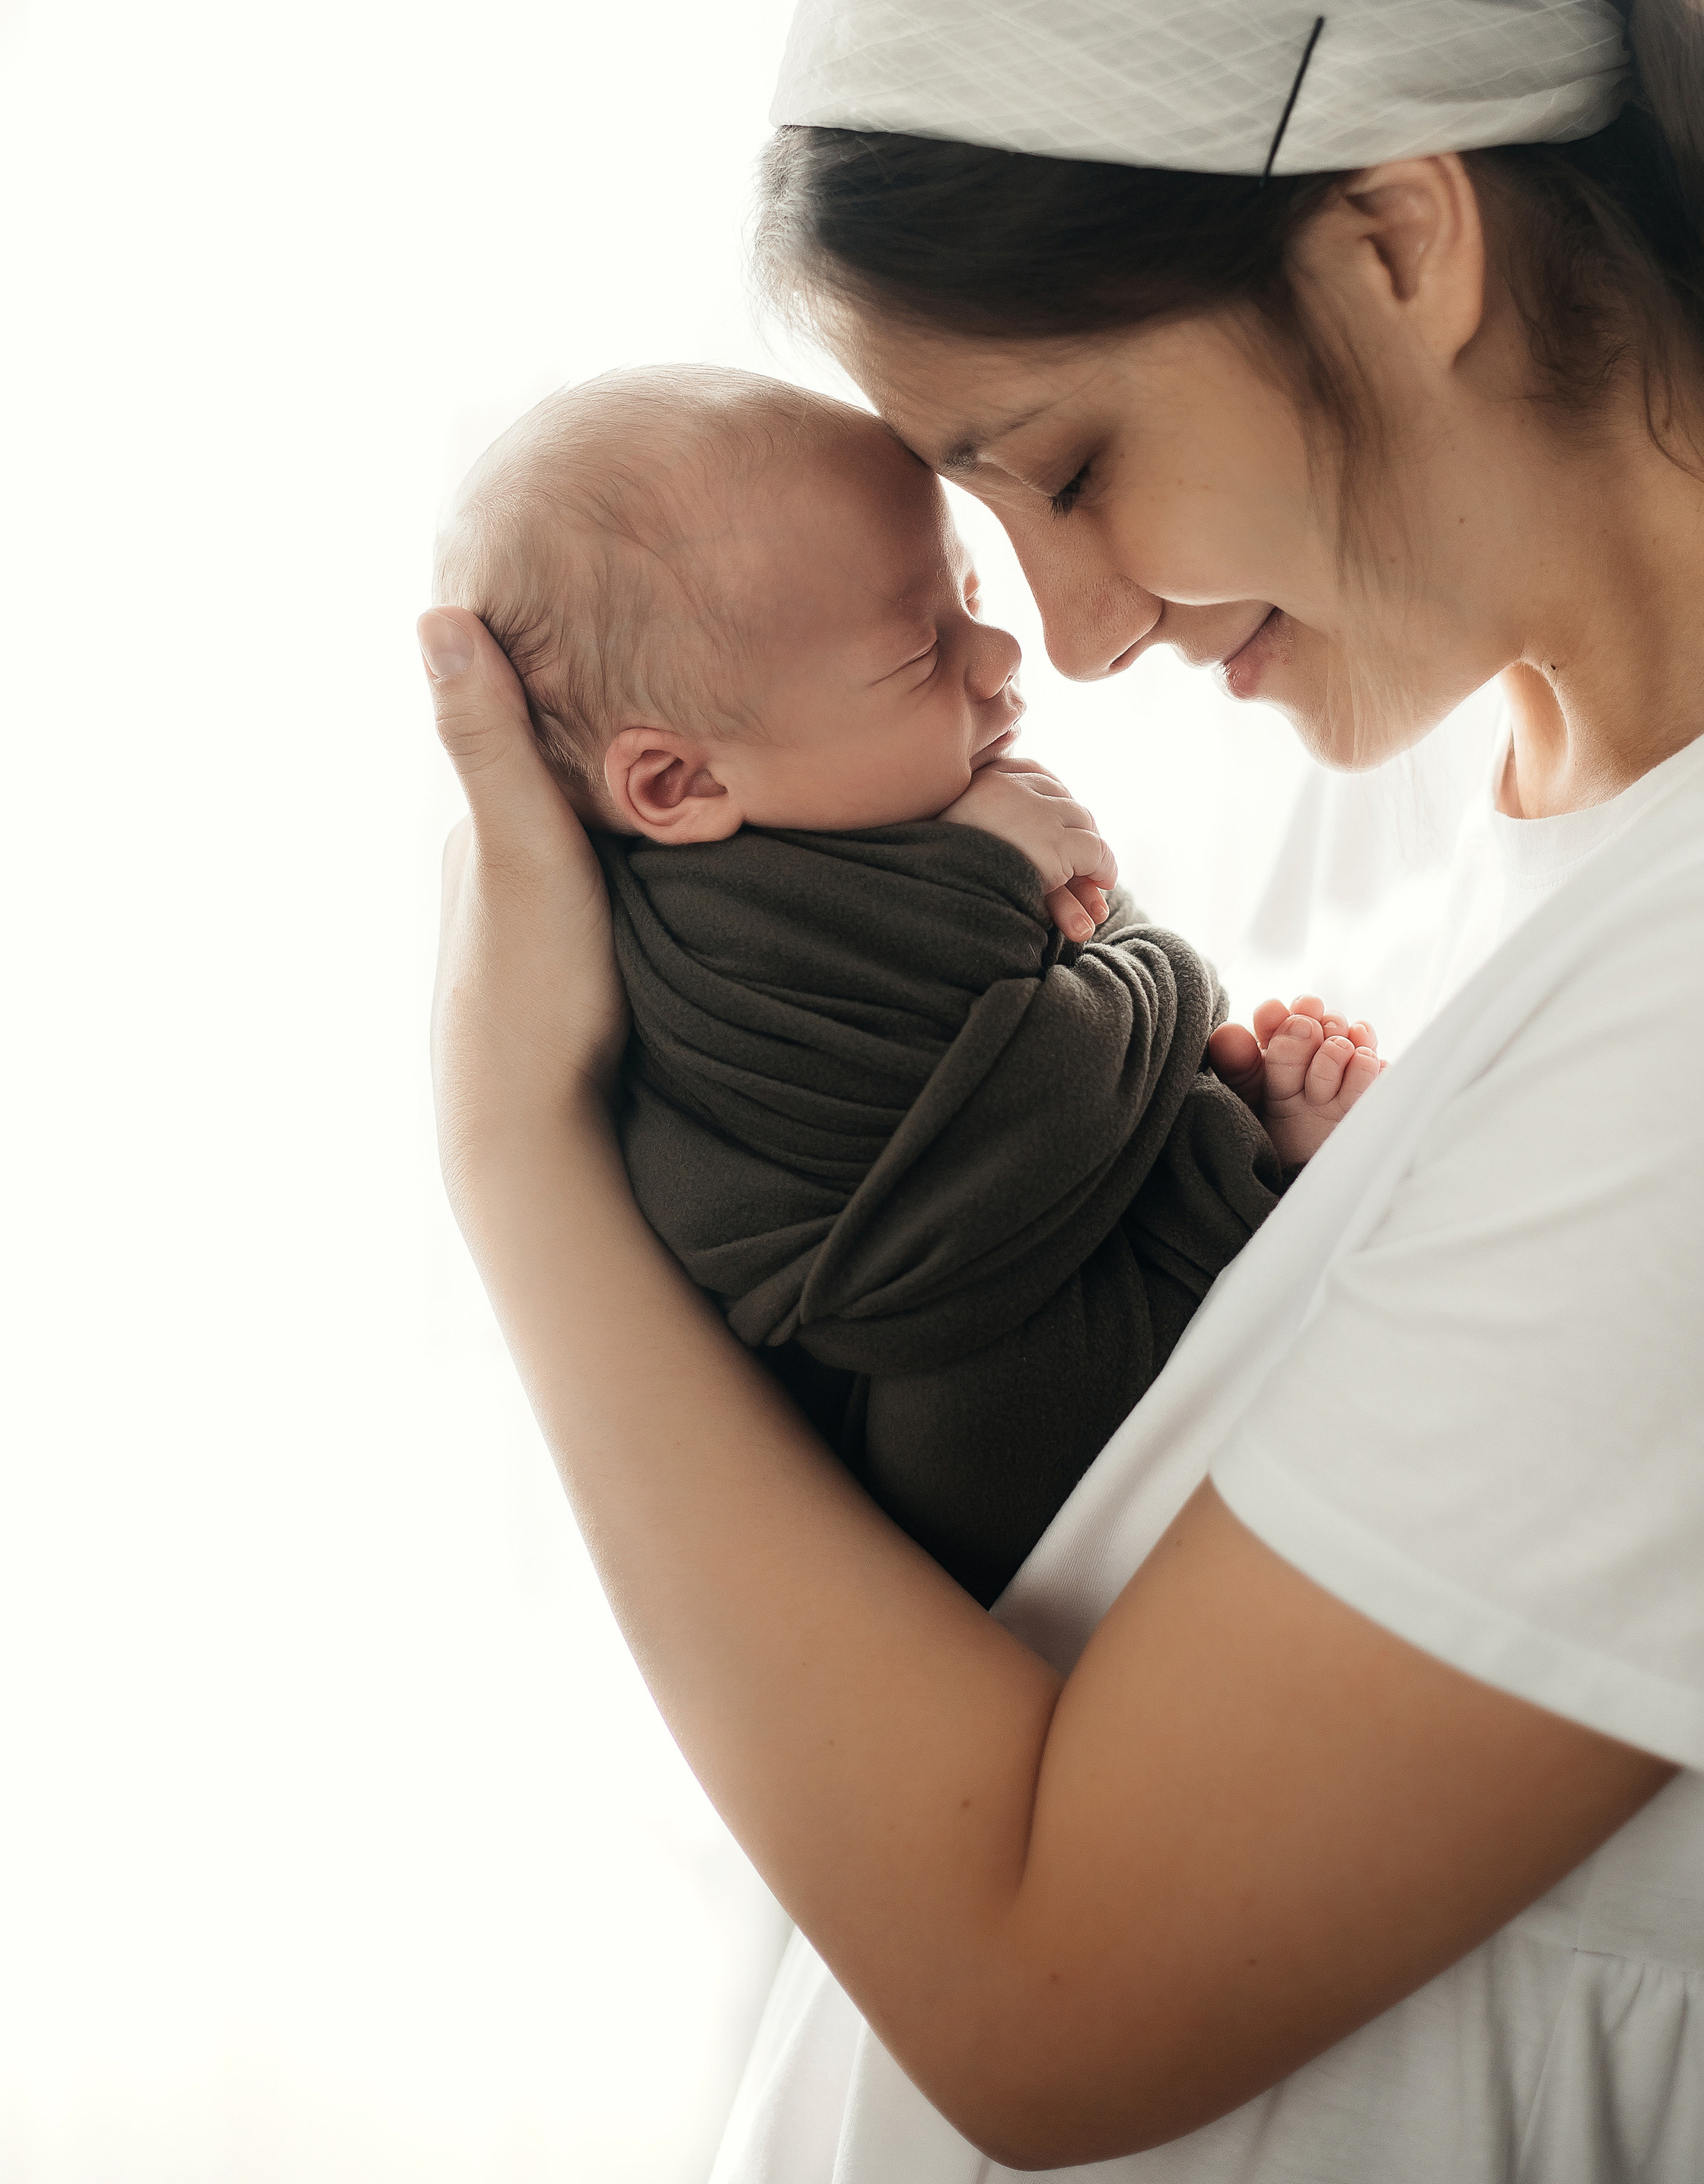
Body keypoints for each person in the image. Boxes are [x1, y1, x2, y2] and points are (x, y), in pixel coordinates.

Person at [420, 0, 1704, 2179]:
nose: (1079, 636)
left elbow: (1046, 1997)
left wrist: (513, 1159)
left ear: (1392, 238)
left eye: (1078, 465)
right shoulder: (1452, 805)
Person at [430, 365, 1375, 1606]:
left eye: (969, 592)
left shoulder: (888, 829)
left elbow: (1054, 1029)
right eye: (921, 649)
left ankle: (1263, 1180)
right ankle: (1266, 1193)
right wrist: (1134, 969)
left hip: (1023, 1273)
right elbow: (998, 1125)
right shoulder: (724, 939)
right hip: (976, 1452)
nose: (1000, 656)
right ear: (676, 786)